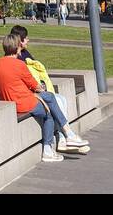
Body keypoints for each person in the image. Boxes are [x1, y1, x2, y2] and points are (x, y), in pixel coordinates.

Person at [0, 31, 75, 163]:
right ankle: (50, 147)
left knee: (49, 97)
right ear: (16, 47)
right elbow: (35, 86)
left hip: (9, 100)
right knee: (49, 112)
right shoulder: (19, 64)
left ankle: (68, 133)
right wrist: (40, 88)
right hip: (22, 102)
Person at [11, 25, 90, 154]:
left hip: (34, 90)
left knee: (62, 99)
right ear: (20, 41)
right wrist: (38, 88)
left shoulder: (25, 53)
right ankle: (66, 137)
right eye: (26, 39)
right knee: (55, 101)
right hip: (29, 95)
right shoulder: (17, 60)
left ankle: (64, 139)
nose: (28, 40)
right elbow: (26, 80)